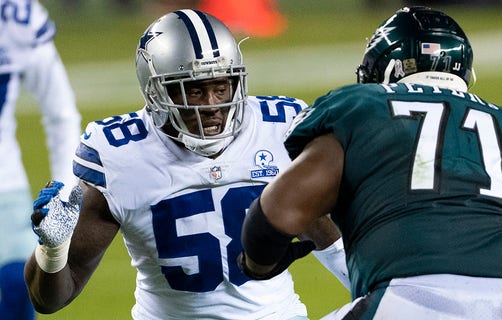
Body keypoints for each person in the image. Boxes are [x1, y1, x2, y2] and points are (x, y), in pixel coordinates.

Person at [238, 6, 502, 319]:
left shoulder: (362, 108)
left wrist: (257, 265)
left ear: (384, 69)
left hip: (408, 301)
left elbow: (274, 215)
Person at [24, 9, 348, 319]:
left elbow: (332, 241)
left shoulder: (280, 129)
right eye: (193, 91)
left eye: (221, 87)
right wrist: (53, 249)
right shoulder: (119, 155)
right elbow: (49, 300)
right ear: (155, 91)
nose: (212, 106)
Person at [0, 0, 81, 319]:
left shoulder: (15, 17)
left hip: (3, 180)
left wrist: (65, 195)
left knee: (20, 288)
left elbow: (61, 114)